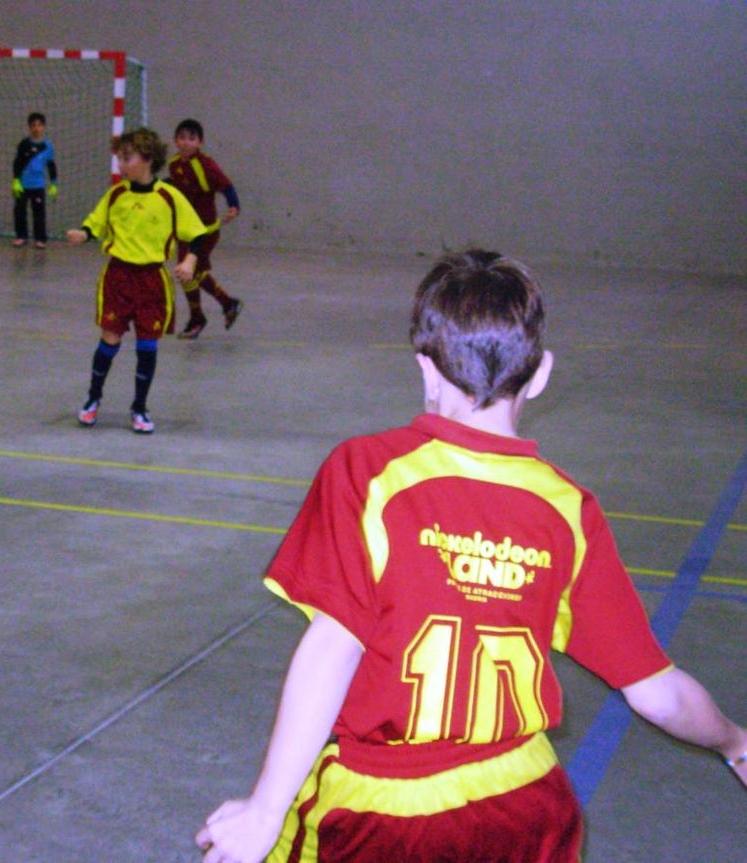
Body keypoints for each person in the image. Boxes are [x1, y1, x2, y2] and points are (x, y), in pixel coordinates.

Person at [195, 249, 747, 862]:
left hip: (385, 811)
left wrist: (267, 809)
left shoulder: (369, 471)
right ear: (541, 375)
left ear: (426, 369)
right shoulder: (568, 508)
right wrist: (735, 742)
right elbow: (658, 693)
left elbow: (334, 644)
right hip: (527, 803)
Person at [66, 127, 208, 434]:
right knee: (110, 338)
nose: (120, 164)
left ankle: (140, 408)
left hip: (152, 280)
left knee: (147, 346)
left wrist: (189, 260)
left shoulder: (169, 197)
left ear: (147, 159)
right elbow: (96, 222)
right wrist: (84, 233)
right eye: (119, 157)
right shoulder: (116, 194)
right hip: (117, 277)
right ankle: (92, 399)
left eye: (126, 158)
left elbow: (197, 233)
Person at [166, 118, 243, 339]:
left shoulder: (206, 165)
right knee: (186, 273)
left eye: (191, 138)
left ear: (200, 142)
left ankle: (214, 310)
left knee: (193, 272)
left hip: (205, 231)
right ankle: (209, 313)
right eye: (181, 137)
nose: (186, 143)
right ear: (175, 140)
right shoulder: (174, 163)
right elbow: (176, 185)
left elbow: (226, 185)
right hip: (185, 230)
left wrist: (234, 206)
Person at [11, 112, 58, 249]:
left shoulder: (48, 146)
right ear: (29, 127)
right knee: (19, 211)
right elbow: (17, 163)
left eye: (39, 125)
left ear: (43, 127)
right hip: (23, 185)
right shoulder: (24, 144)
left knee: (39, 212)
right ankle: (21, 236)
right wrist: (16, 181)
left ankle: (40, 239)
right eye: (33, 125)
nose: (36, 128)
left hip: (38, 185)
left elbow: (51, 165)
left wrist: (53, 183)